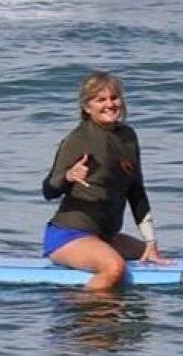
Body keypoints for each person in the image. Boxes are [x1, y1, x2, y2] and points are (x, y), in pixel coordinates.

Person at [42, 71, 168, 289]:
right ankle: (84, 309)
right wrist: (69, 176)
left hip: (105, 235)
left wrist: (150, 241)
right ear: (87, 106)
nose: (109, 104)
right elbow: (48, 190)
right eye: (100, 100)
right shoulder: (79, 138)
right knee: (114, 267)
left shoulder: (128, 136)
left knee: (149, 256)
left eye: (114, 98)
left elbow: (136, 191)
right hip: (69, 235)